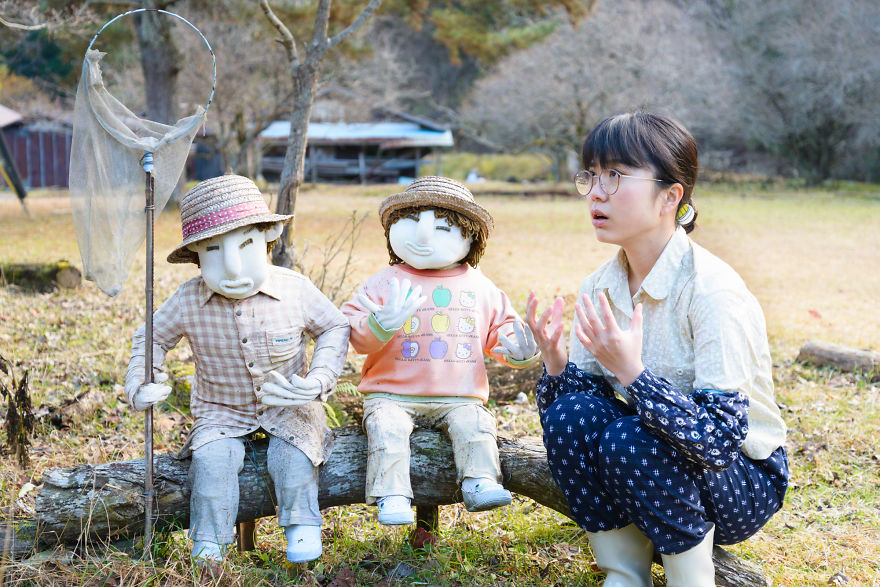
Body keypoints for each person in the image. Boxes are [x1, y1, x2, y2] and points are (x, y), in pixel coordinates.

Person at [525, 112, 788, 587]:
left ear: (671, 196)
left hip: (741, 479)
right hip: (652, 462)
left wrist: (635, 376)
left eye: (616, 176)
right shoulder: (600, 285)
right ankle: (624, 573)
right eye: (592, 175)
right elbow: (573, 422)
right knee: (573, 415)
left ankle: (692, 578)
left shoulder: (712, 291)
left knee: (630, 437)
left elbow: (719, 441)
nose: (597, 193)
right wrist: (555, 363)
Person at [124, 175, 350, 564]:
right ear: (195, 253)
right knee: (212, 462)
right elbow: (150, 339)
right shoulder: (187, 299)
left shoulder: (295, 289)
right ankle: (209, 540)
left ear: (269, 235)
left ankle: (302, 525)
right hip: (220, 410)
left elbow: (334, 326)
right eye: (213, 250)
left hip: (289, 405)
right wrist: (143, 379)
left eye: (245, 245)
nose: (231, 267)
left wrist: (318, 379)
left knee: (293, 456)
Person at [341, 176, 539, 525]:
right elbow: (354, 337)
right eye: (412, 221)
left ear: (470, 237)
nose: (423, 236)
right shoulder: (383, 282)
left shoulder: (480, 287)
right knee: (386, 431)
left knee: (476, 427)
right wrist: (379, 324)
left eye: (444, 227)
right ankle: (392, 494)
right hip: (391, 394)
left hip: (460, 396)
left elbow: (501, 334)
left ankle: (479, 481)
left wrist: (519, 352)